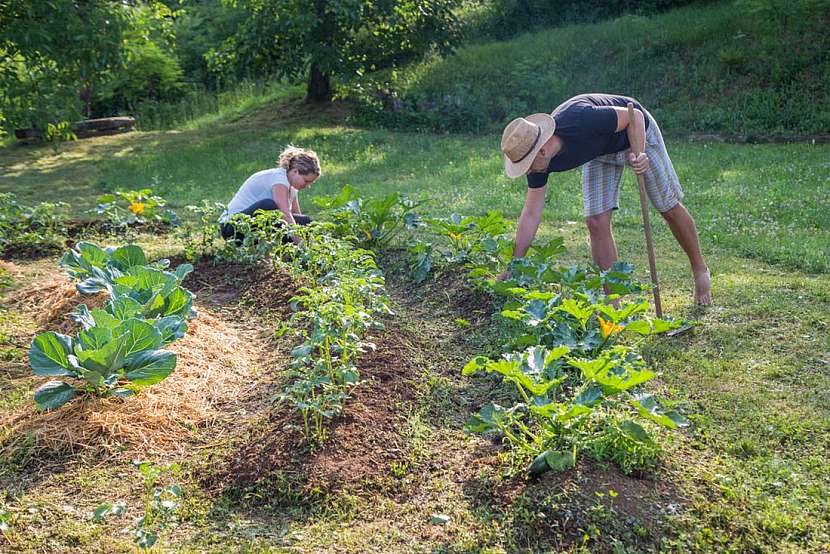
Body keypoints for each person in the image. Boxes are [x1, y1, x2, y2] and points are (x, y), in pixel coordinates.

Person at [499, 93, 712, 305]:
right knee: (596, 221)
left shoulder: (580, 119)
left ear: (542, 150)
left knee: (668, 207)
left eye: (526, 166)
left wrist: (639, 154)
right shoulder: (538, 162)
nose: (527, 172)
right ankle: (613, 302)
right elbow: (531, 213)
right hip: (599, 152)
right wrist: (514, 264)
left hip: (635, 134)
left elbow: (634, 115)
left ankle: (700, 269)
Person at [219, 145, 321, 245]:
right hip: (232, 228)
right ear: (295, 172)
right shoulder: (279, 180)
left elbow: (297, 217)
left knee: (305, 221)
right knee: (269, 206)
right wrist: (302, 246)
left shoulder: (292, 185)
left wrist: (309, 241)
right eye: (306, 181)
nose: (308, 186)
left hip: (254, 226)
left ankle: (285, 253)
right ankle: (263, 251)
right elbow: (285, 215)